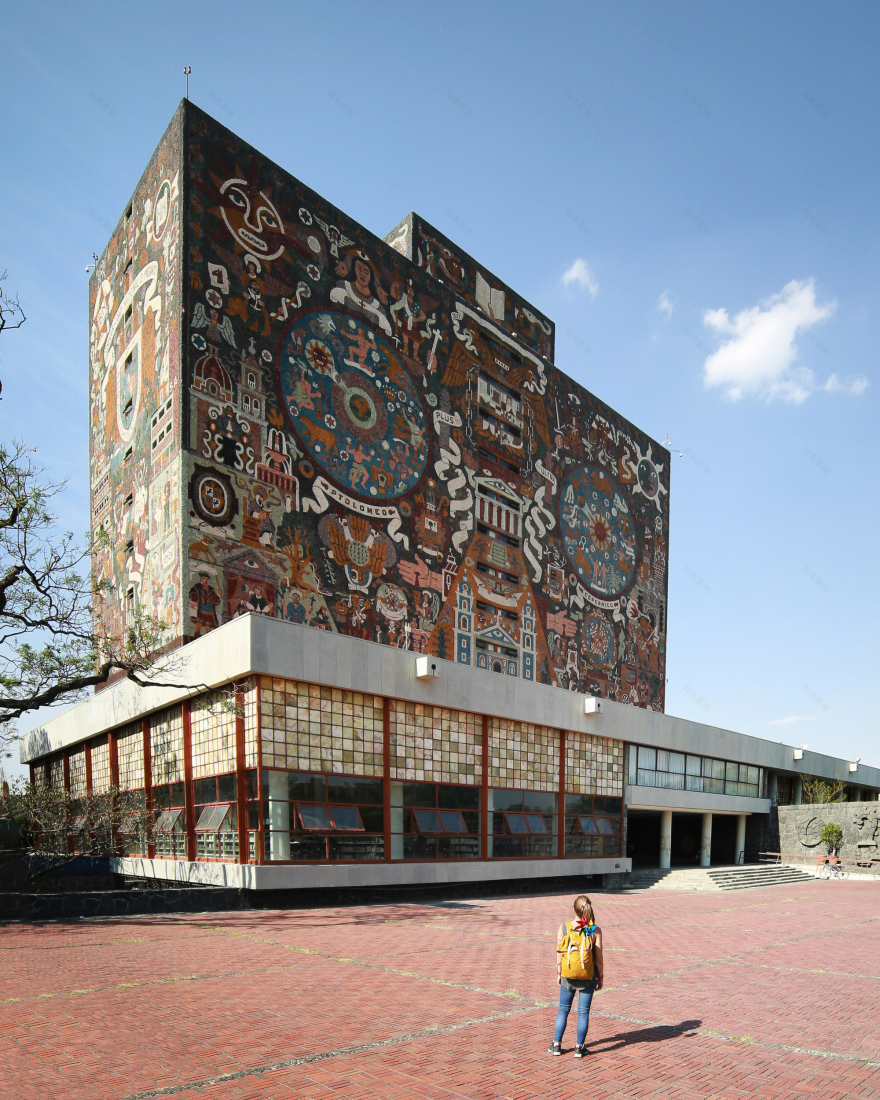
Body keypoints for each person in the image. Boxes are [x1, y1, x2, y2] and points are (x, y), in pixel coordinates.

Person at [549, 894, 604, 1058]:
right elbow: (599, 957)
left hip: (568, 973)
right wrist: (600, 977)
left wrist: (559, 972)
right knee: (583, 1012)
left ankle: (557, 1044)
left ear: (574, 909)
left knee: (563, 1010)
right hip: (588, 975)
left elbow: (560, 953)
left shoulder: (564, 928)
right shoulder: (594, 929)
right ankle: (579, 1047)